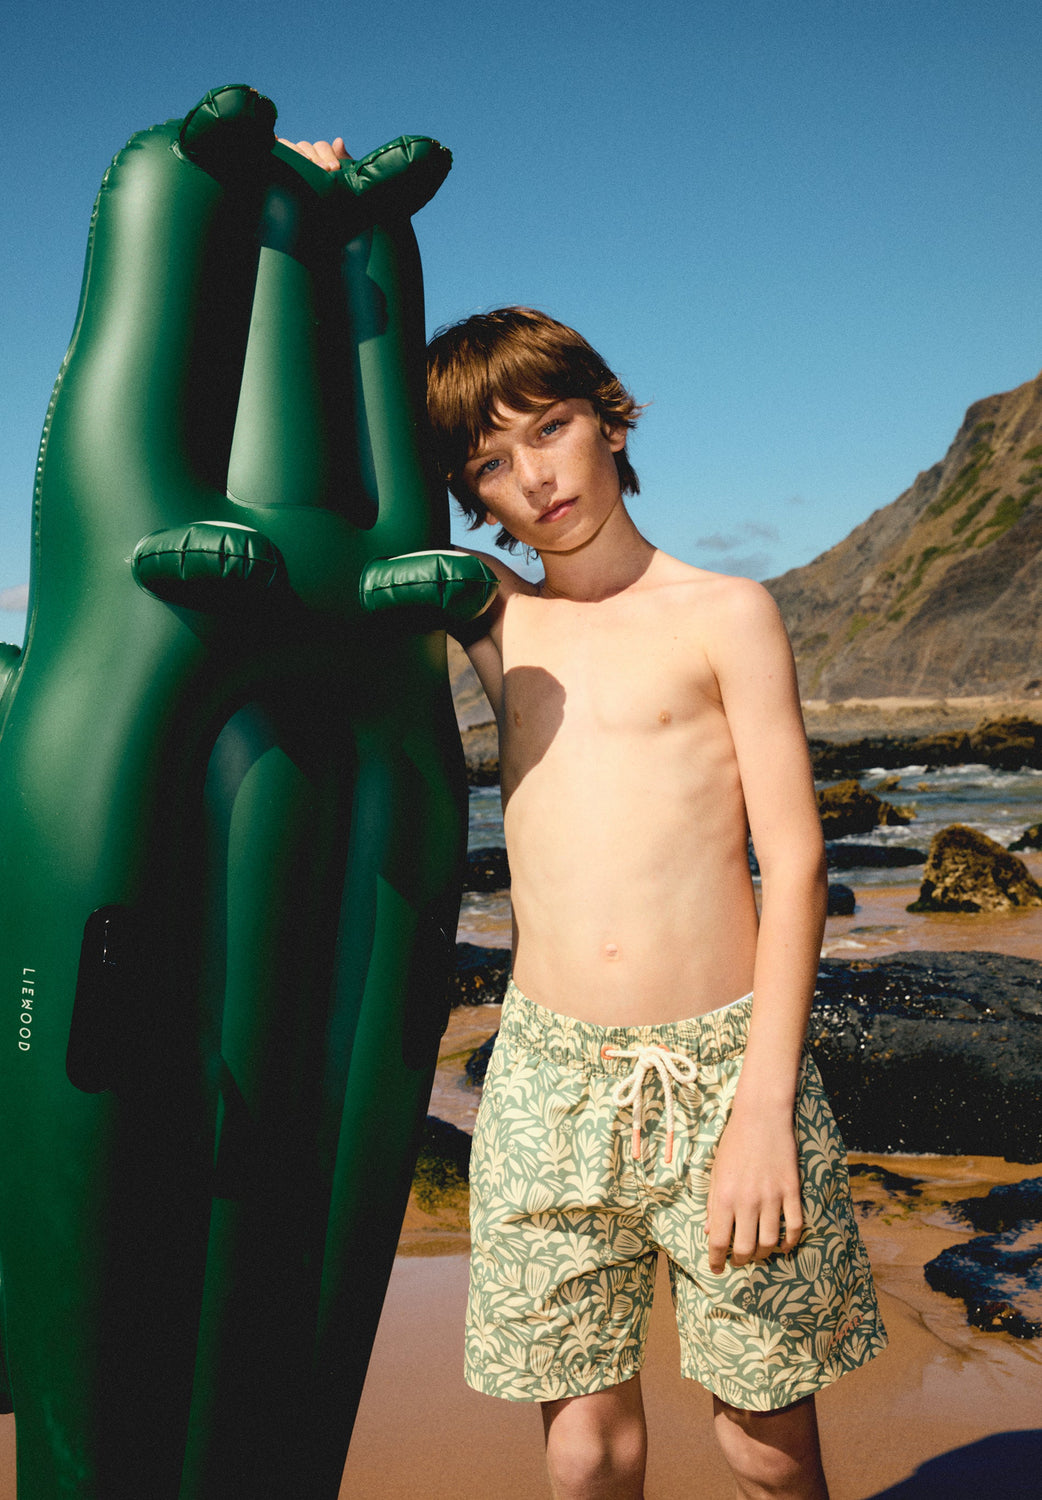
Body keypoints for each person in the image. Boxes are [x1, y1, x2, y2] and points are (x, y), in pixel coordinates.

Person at [291, 139, 886, 1500]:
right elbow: (346, 471)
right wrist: (324, 248)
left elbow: (796, 862)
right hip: (548, 1075)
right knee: (585, 1449)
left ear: (609, 418)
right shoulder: (494, 616)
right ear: (473, 496)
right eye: (491, 464)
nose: (533, 478)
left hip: (725, 1069)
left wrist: (762, 1108)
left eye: (548, 429)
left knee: (765, 1445)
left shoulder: (727, 614)